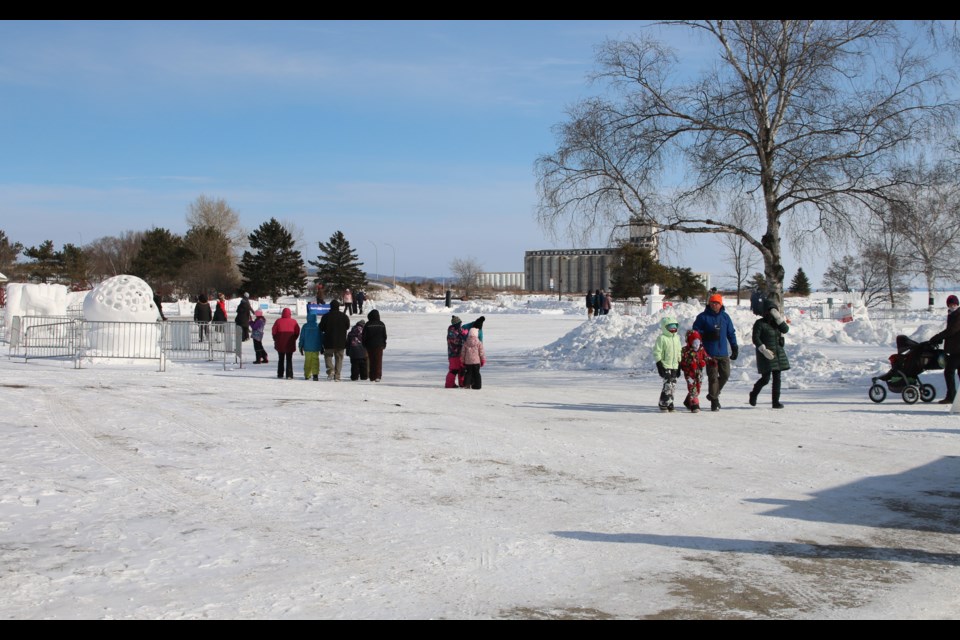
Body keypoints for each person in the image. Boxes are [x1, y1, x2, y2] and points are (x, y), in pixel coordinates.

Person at [692, 293, 739, 411]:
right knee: (713, 377)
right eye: (712, 302)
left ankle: (713, 394)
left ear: (721, 304)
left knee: (725, 375)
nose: (714, 305)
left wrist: (734, 346)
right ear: (709, 303)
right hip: (709, 353)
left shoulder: (725, 317)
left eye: (717, 303)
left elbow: (731, 333)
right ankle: (714, 400)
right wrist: (706, 334)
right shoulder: (702, 317)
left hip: (723, 352)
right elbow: (695, 332)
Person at [748, 299, 790, 409]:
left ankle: (775, 402)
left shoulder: (776, 323)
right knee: (765, 379)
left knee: (777, 378)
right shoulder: (760, 323)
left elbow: (785, 330)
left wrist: (779, 318)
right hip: (765, 354)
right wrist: (763, 349)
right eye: (770, 311)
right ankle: (754, 393)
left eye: (774, 311)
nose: (772, 314)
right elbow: (755, 338)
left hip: (777, 353)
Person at [928, 294, 960, 404]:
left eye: (954, 304)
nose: (952, 306)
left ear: (957, 304)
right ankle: (954, 397)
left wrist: (938, 337)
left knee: (949, 371)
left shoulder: (958, 315)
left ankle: (951, 396)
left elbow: (952, 330)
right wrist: (941, 338)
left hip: (958, 350)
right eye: (950, 304)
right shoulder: (952, 314)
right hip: (955, 349)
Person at [653, 315, 682, 412]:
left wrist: (679, 363)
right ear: (665, 328)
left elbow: (679, 351)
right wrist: (659, 364)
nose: (673, 329)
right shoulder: (662, 338)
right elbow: (657, 351)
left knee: (673, 385)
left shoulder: (677, 338)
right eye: (670, 327)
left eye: (675, 327)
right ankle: (663, 402)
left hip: (675, 365)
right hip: (665, 365)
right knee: (668, 384)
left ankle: (670, 401)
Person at [319, 300, 350, 381]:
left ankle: (330, 370)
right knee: (339, 358)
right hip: (341, 341)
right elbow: (347, 326)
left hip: (329, 340)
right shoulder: (344, 316)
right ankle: (337, 375)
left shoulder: (326, 316)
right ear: (338, 306)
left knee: (328, 356)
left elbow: (321, 328)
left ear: (330, 306)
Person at [680, 329, 707, 413]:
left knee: (698, 387)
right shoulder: (685, 350)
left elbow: (705, 357)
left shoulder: (701, 349)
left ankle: (688, 401)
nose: (696, 343)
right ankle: (695, 405)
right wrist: (689, 365)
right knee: (692, 388)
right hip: (689, 373)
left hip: (699, 372)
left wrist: (707, 361)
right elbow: (682, 362)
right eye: (694, 341)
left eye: (698, 340)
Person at [272, 307, 300, 380]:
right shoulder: (294, 321)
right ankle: (289, 374)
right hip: (290, 343)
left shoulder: (278, 321)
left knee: (281, 359)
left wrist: (276, 339)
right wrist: (294, 339)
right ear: (290, 313)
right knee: (289, 359)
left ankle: (280, 374)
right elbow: (297, 332)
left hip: (280, 343)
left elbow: (274, 331)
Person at [362, 309, 387, 382]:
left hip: (369, 345)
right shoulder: (381, 324)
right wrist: (384, 343)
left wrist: (364, 344)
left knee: (371, 361)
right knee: (378, 361)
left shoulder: (368, 324)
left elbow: (364, 336)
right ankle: (378, 376)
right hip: (379, 345)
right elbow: (384, 335)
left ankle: (372, 376)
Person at [461, 316, 486, 389]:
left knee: (468, 373)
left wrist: (462, 360)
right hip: (476, 361)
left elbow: (463, 352)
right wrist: (483, 360)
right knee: (477, 374)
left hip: (468, 362)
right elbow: (481, 352)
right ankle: (477, 386)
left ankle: (466, 385)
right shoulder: (479, 343)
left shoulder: (465, 343)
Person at [298, 312, 323, 381]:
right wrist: (322, 346)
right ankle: (315, 374)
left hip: (307, 347)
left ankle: (307, 374)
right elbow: (321, 337)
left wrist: (300, 346)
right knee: (315, 361)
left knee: (307, 361)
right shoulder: (318, 326)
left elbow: (302, 337)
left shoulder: (305, 326)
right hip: (315, 347)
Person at [445, 315, 466, 388]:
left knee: (462, 369)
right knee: (454, 369)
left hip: (460, 354)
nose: (460, 325)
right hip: (453, 354)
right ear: (456, 324)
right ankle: (449, 384)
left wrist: (464, 334)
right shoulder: (451, 331)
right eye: (459, 324)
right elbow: (454, 341)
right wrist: (463, 339)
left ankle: (462, 383)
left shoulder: (458, 330)